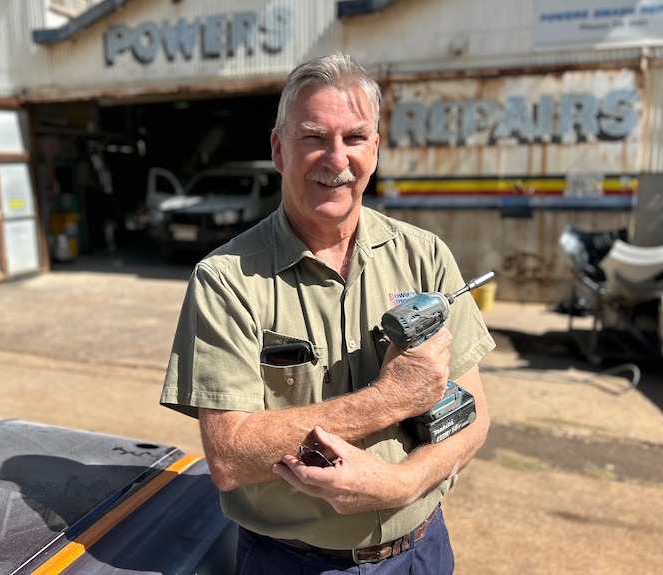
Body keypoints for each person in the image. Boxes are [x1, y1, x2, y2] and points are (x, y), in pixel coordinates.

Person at [160, 53, 495, 574]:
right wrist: (388, 400)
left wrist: (402, 482)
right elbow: (228, 457)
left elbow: (474, 418)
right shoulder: (225, 280)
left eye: (355, 138)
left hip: (421, 552)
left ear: (375, 150)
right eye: (313, 137)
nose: (336, 159)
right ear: (278, 149)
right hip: (289, 562)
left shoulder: (425, 256)